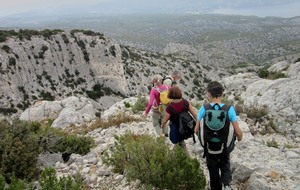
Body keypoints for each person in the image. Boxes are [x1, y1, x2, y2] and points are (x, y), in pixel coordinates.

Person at [194, 81, 243, 190]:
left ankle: (215, 187)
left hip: (209, 147)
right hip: (224, 146)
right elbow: (238, 131)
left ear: (209, 94)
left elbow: (196, 129)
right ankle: (227, 185)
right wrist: (239, 138)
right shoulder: (229, 109)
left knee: (213, 170)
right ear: (222, 94)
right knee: (225, 164)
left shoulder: (204, 108)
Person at [161, 86, 197, 155]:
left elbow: (165, 119)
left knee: (178, 142)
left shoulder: (170, 107)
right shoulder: (185, 102)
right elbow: (194, 114)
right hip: (186, 127)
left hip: (176, 128)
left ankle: (181, 158)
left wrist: (162, 126)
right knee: (181, 142)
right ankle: (178, 156)